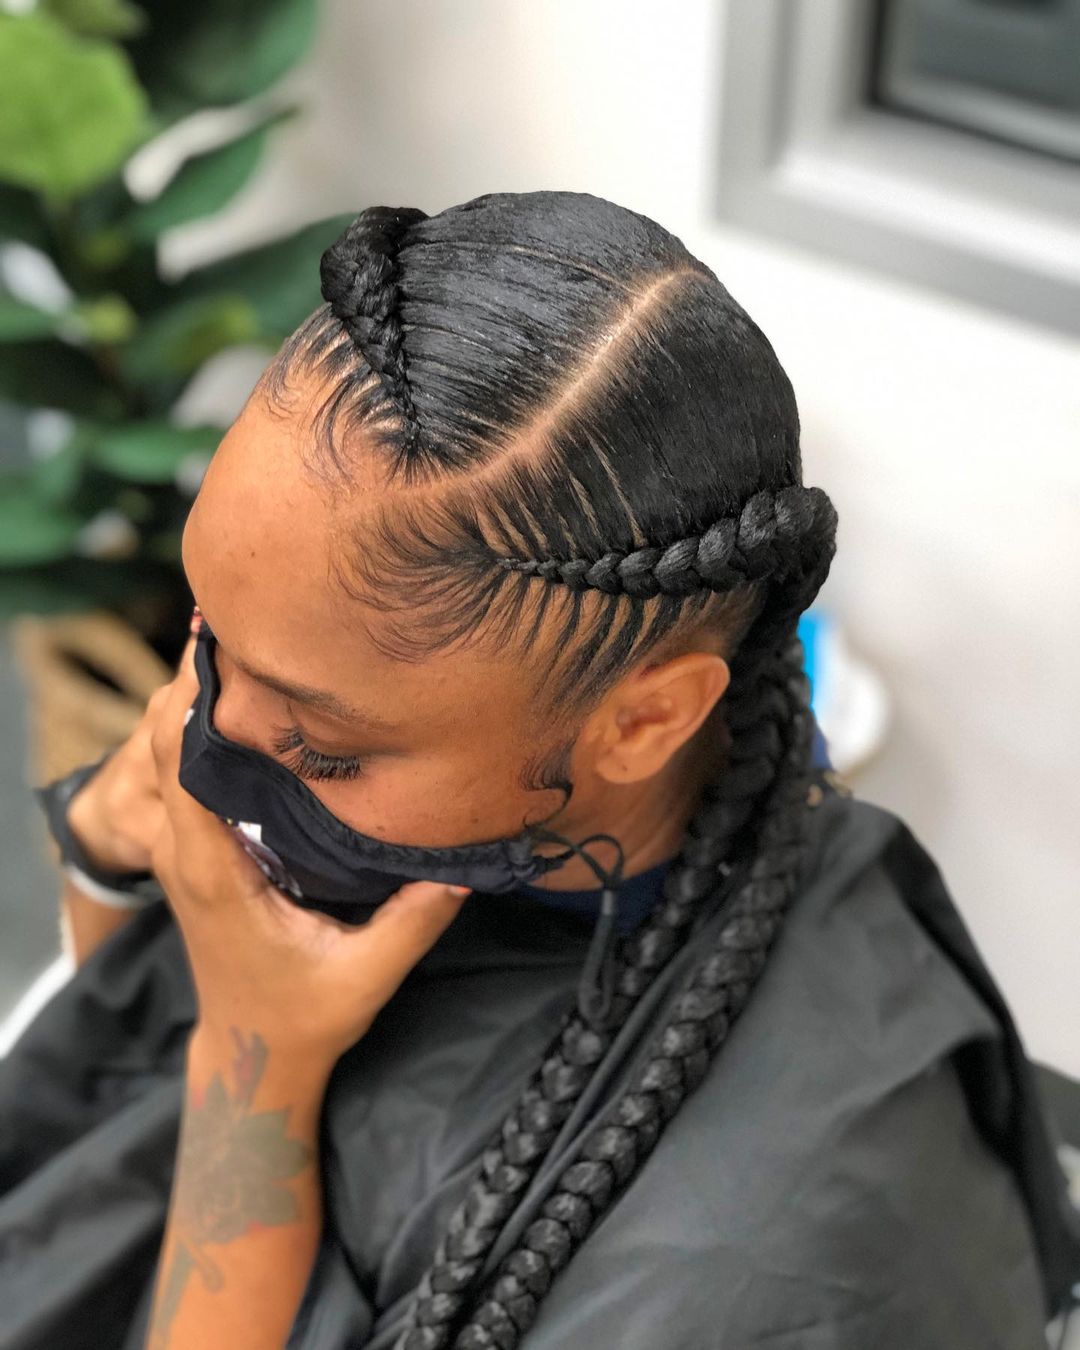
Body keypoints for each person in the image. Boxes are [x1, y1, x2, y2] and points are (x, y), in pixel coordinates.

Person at [1, 191, 1077, 1350]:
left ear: (642, 721)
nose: (189, 734)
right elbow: (110, 1129)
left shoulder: (734, 1284)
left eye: (325, 745)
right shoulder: (409, 826)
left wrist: (255, 1064)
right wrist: (111, 871)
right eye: (208, 632)